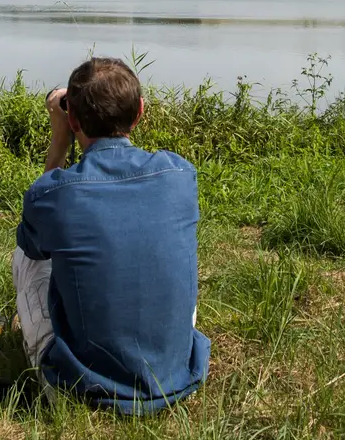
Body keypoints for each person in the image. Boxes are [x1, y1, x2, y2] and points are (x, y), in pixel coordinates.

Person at [14, 57, 209, 413]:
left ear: (72, 119)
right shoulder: (181, 174)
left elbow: (32, 245)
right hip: (175, 378)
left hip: (80, 390)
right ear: (139, 113)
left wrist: (59, 140)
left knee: (26, 254)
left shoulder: (52, 193)